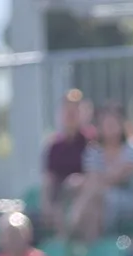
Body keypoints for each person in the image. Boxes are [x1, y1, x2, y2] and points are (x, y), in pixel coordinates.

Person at [68, 104, 133, 242]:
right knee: (84, 193)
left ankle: (77, 223)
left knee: (101, 196)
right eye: (106, 124)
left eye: (113, 124)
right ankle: (89, 242)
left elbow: (114, 177)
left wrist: (88, 186)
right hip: (101, 195)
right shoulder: (94, 151)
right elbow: (94, 178)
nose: (109, 128)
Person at [41, 89, 94, 236]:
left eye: (75, 110)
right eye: (67, 110)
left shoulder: (91, 141)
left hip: (82, 194)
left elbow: (95, 174)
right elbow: (49, 177)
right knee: (57, 209)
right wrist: (46, 203)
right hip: (60, 195)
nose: (71, 115)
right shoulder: (54, 145)